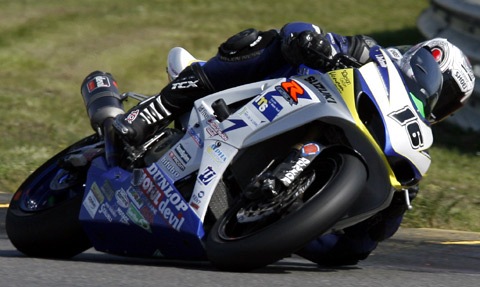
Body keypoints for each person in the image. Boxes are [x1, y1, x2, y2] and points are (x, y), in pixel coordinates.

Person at [111, 22, 475, 266]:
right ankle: (152, 112)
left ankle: (259, 216)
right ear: (422, 61)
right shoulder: (370, 53)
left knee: (348, 253)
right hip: (261, 101)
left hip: (314, 158)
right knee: (263, 42)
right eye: (438, 87)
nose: (434, 100)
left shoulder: (412, 137)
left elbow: (357, 249)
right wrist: (311, 42)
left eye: (446, 103)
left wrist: (391, 210)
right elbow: (305, 31)